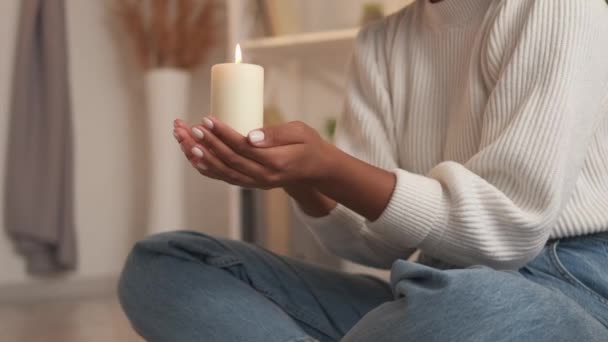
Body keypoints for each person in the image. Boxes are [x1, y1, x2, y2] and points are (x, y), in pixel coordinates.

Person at [118, 0, 608, 341]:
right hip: (426, 285)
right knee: (164, 263)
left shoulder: (553, 5)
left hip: (566, 285)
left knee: (473, 305)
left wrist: (330, 166)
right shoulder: (380, 42)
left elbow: (509, 227)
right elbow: (379, 246)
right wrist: (302, 180)